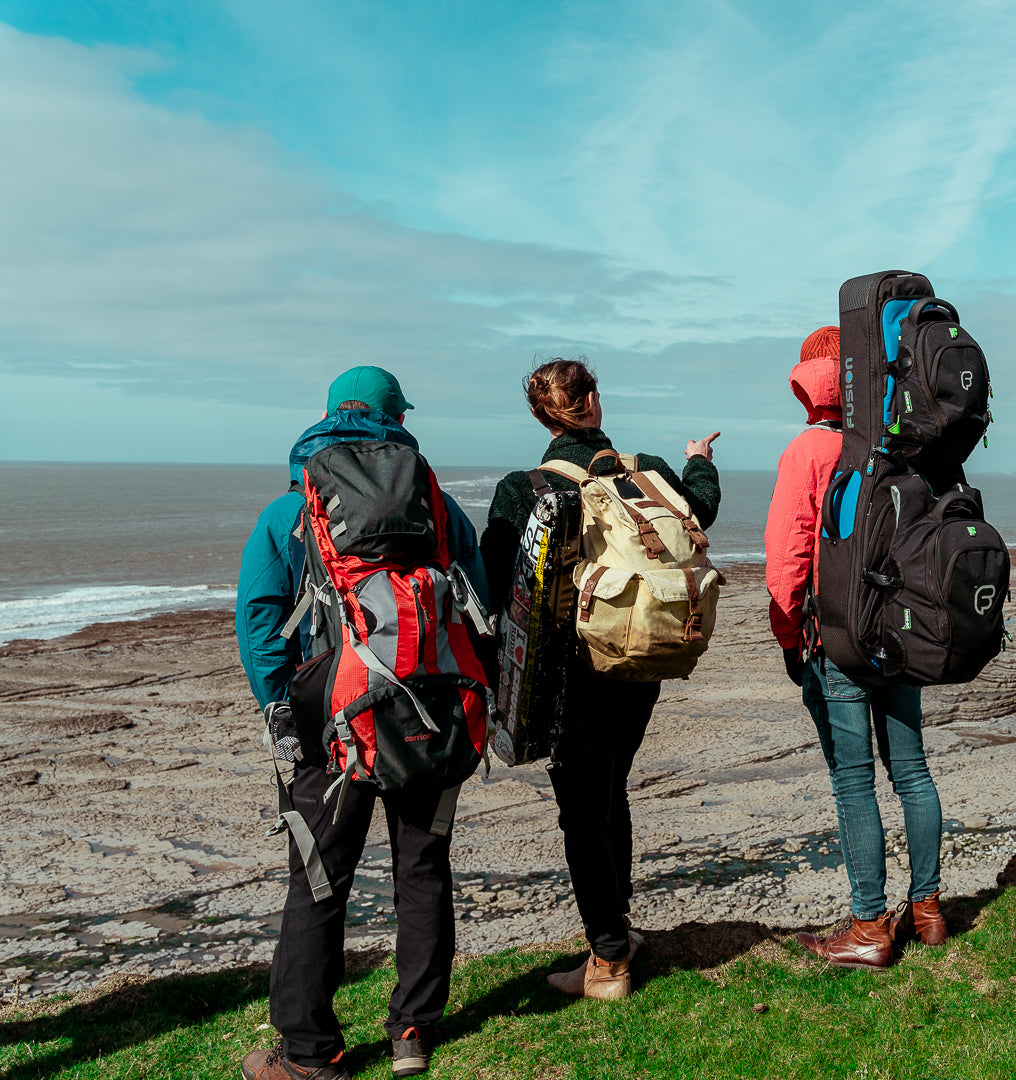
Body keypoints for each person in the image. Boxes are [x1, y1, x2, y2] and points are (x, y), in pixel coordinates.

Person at [236, 366, 489, 1080]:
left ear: (326, 418)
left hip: (331, 729)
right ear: (395, 418)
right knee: (422, 868)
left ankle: (310, 1054)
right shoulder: (438, 504)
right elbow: (481, 601)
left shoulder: (289, 511)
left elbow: (258, 619)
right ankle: (412, 1032)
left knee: (320, 882)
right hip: (432, 718)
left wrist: (281, 706)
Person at [480, 357, 721, 1000]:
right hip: (642, 659)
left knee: (583, 808)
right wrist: (696, 457)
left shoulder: (523, 486)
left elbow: (493, 583)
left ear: (542, 415)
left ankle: (608, 960)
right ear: (594, 402)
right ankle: (616, 932)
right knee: (610, 791)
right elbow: (701, 509)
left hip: (570, 673)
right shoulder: (645, 472)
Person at [765, 327, 947, 970]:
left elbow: (787, 561)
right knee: (913, 771)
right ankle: (926, 910)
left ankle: (870, 923)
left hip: (836, 638)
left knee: (853, 780)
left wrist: (790, 638)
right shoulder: (899, 446)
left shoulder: (808, 451)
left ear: (808, 385)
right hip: (898, 634)